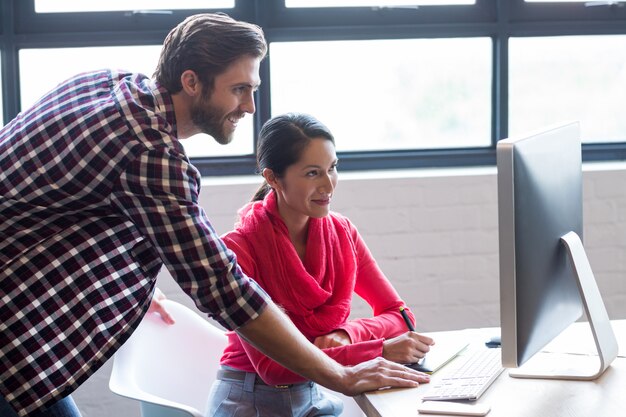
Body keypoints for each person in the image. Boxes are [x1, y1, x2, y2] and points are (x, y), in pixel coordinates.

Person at [0, 13, 428, 417]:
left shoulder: (105, 86)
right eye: (239, 89)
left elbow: (59, 204)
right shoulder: (152, 153)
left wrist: (137, 284)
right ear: (191, 82)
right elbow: (222, 289)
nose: (250, 107)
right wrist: (340, 373)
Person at [206, 113, 435, 417]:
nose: (328, 185)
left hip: (312, 393)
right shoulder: (239, 248)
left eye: (332, 168)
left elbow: (400, 315)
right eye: (313, 173)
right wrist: (377, 350)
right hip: (250, 399)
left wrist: (348, 334)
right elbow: (273, 367)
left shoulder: (343, 233)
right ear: (273, 178)